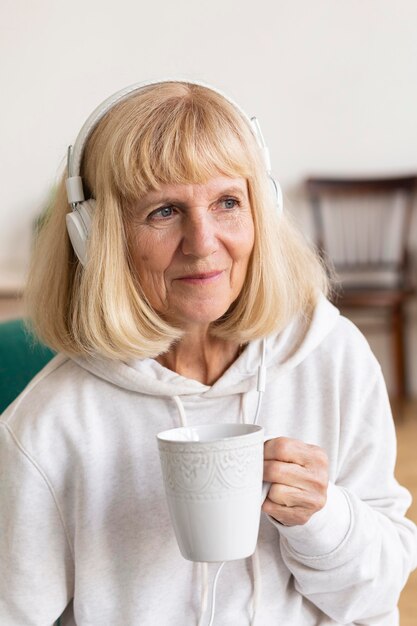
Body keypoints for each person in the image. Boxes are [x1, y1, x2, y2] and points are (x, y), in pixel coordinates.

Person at [0, 79, 416, 626]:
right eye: (164, 211)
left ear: (262, 209)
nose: (203, 242)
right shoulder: (48, 424)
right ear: (95, 236)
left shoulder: (331, 358)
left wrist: (324, 517)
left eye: (227, 202)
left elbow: (375, 597)